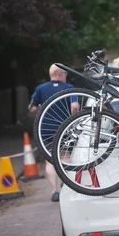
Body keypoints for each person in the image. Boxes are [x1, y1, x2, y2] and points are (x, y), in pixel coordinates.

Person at [28, 64, 80, 202]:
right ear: (60, 74)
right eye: (65, 74)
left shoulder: (40, 89)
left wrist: (40, 108)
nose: (66, 76)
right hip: (65, 128)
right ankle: (67, 185)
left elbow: (31, 108)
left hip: (46, 130)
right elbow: (74, 106)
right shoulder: (69, 88)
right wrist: (73, 116)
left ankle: (54, 190)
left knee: (50, 160)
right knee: (65, 157)